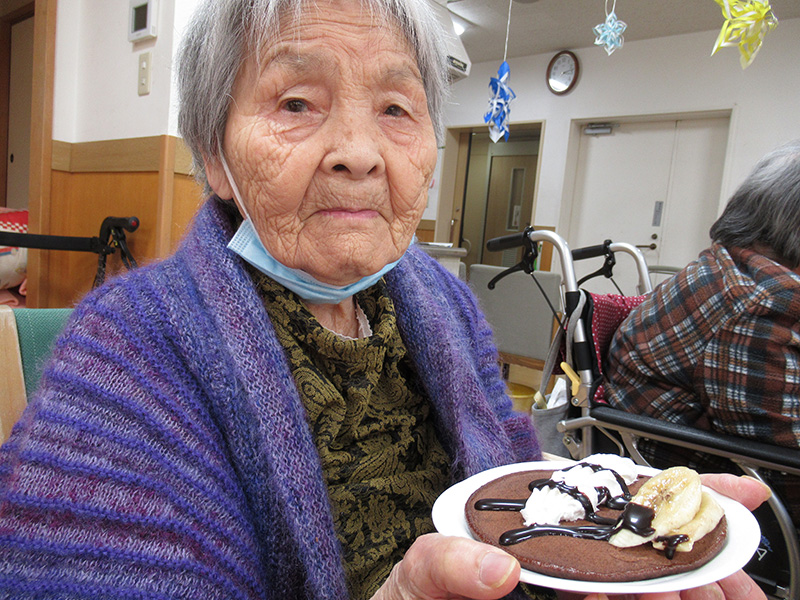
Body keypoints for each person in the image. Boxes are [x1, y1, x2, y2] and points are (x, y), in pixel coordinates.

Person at [0, 0, 769, 598]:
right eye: (297, 103)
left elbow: (509, 489)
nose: (360, 155)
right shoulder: (127, 351)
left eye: (397, 109)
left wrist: (611, 518)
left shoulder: (444, 304)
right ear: (216, 157)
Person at [606, 139, 800, 528]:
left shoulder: (726, 261)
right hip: (680, 465)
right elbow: (775, 448)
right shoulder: (764, 299)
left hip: (666, 437)